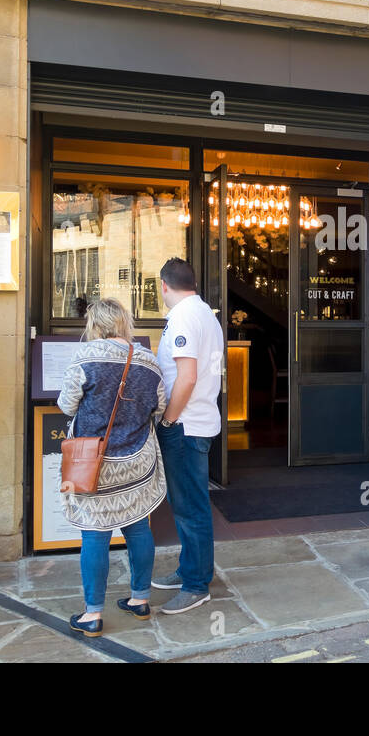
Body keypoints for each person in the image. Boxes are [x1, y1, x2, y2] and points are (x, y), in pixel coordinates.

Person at [57, 298, 166, 637]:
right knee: (137, 529)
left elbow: (66, 404)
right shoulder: (148, 360)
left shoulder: (85, 357)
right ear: (124, 323)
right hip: (136, 460)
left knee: (95, 533)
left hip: (94, 463)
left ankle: (92, 614)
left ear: (95, 325)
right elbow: (159, 407)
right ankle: (140, 599)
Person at [151, 257, 225, 614]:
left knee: (190, 507)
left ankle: (196, 585)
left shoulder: (182, 317)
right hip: (199, 420)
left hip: (185, 424)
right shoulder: (207, 315)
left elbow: (187, 376)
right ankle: (190, 571)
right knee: (188, 505)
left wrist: (168, 419)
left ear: (164, 285)